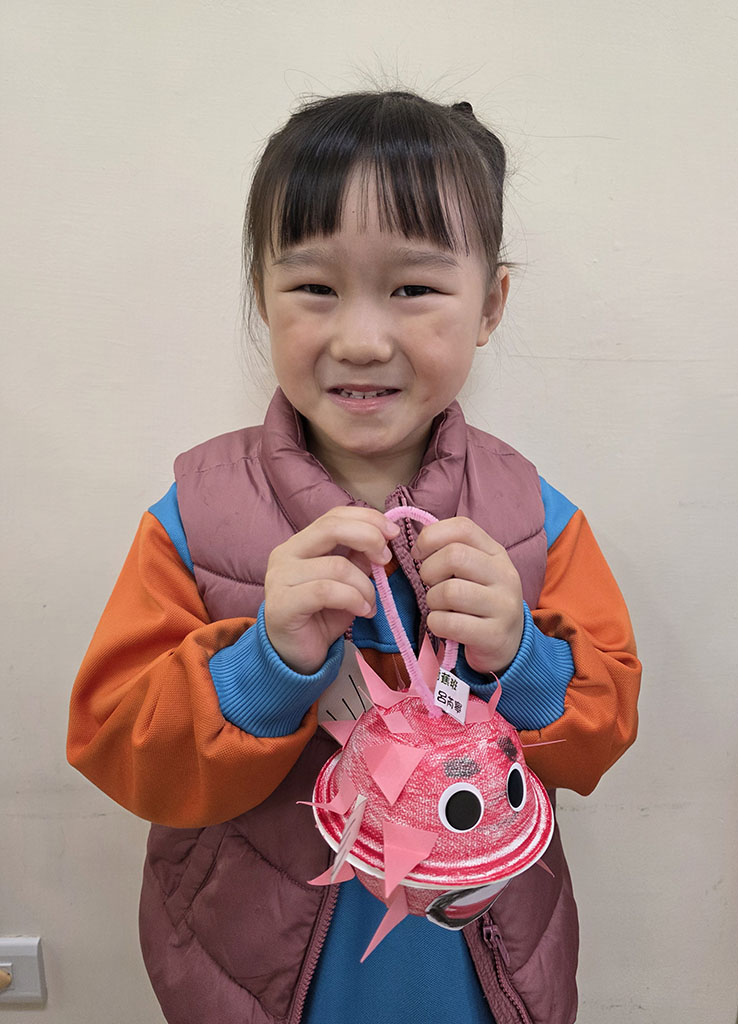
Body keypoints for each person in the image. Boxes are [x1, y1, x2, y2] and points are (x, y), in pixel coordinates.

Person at [67, 90, 641, 1024]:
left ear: (491, 304)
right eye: (315, 288)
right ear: (262, 296)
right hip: (260, 972)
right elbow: (117, 745)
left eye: (413, 289)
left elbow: (603, 727)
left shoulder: (534, 517)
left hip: (477, 956)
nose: (362, 340)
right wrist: (266, 664)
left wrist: (523, 658)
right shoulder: (191, 517)